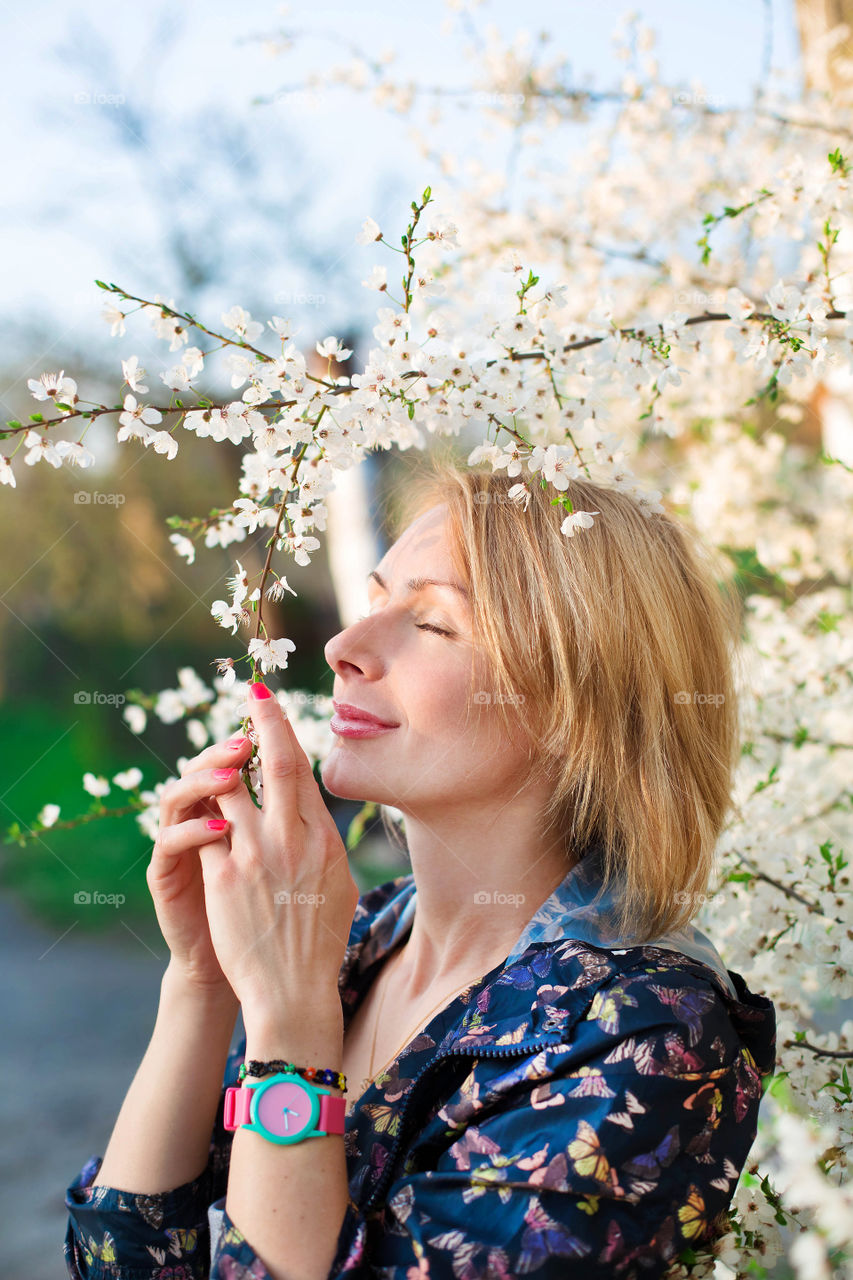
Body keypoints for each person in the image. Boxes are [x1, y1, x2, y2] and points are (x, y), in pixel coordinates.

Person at [64, 458, 777, 1280]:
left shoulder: (647, 1036)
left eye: (433, 624)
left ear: (580, 703)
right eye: (373, 602)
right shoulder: (357, 937)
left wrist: (290, 1025)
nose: (341, 647)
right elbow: (126, 1265)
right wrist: (202, 982)